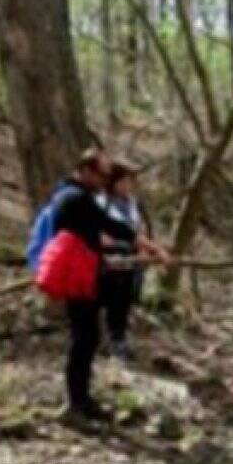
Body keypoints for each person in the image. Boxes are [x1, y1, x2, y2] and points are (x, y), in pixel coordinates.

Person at [53, 150, 170, 430]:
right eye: (103, 175)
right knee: (83, 340)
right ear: (86, 171)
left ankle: (83, 400)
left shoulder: (77, 195)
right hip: (77, 275)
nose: (105, 181)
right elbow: (108, 225)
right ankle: (73, 405)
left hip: (87, 272)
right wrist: (148, 246)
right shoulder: (75, 197)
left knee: (90, 338)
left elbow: (102, 229)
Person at [96, 163, 149, 361]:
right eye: (123, 181)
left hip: (132, 260)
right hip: (109, 260)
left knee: (127, 300)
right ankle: (110, 341)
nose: (127, 185)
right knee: (111, 301)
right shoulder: (101, 203)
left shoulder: (134, 204)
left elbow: (142, 229)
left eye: (130, 181)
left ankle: (120, 338)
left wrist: (143, 249)